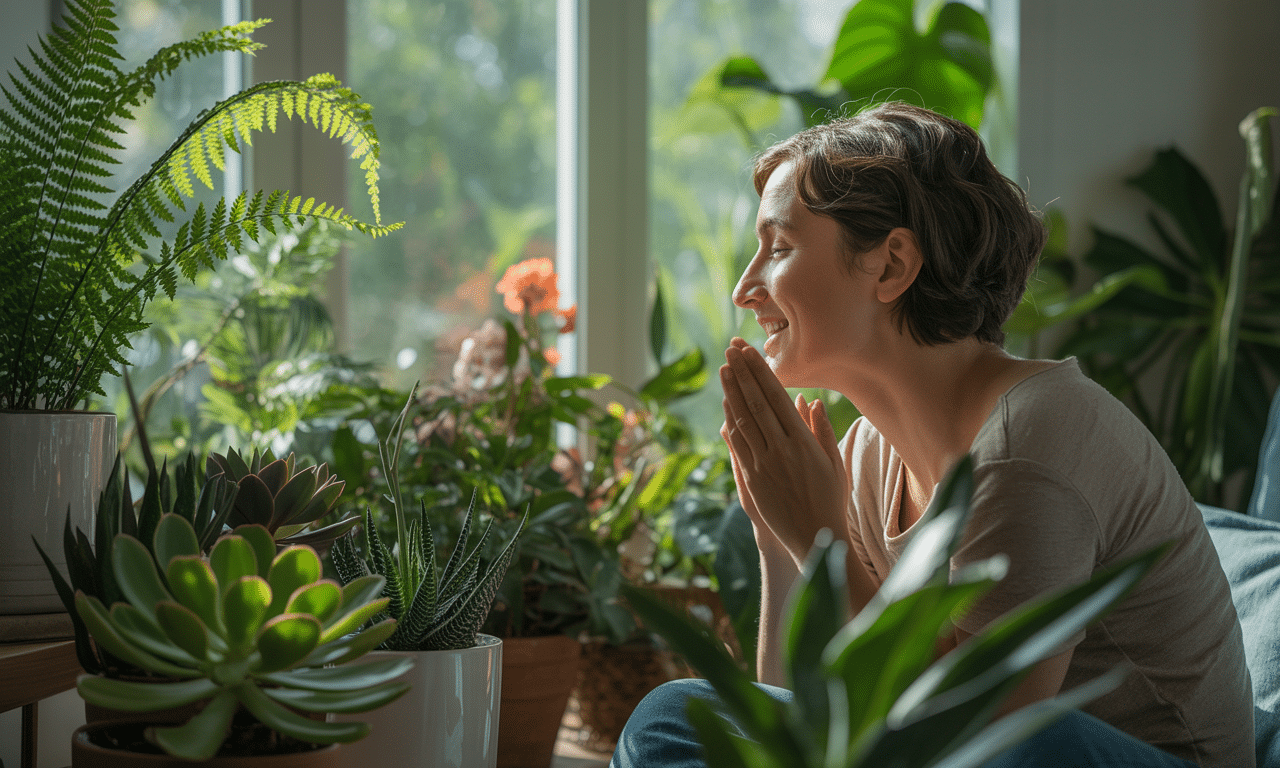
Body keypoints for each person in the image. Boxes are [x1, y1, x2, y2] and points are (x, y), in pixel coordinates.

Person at [612, 102, 1254, 768]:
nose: (747, 288)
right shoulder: (865, 456)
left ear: (891, 266)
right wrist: (776, 535)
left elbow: (976, 740)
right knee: (674, 714)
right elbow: (800, 727)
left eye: (779, 248)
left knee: (1028, 739)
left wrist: (821, 541)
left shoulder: (1031, 438)